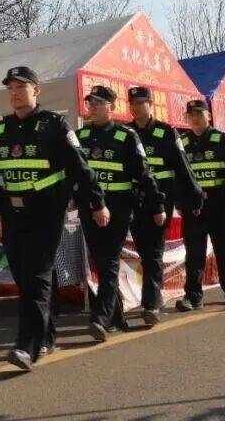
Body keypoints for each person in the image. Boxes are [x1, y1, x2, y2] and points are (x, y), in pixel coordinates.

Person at [0, 66, 105, 371]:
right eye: (10, 88)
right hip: (12, 212)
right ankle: (46, 336)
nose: (14, 93)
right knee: (25, 278)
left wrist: (97, 203)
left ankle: (27, 346)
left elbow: (80, 167)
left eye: (20, 87)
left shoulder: (54, 125)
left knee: (38, 275)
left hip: (46, 210)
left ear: (36, 90)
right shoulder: (0, 129)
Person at [76, 84, 162, 341]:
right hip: (89, 209)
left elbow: (144, 174)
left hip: (119, 208)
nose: (92, 107)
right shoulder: (80, 136)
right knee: (101, 262)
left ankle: (101, 317)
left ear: (112, 107)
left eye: (98, 103)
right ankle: (116, 316)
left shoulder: (126, 137)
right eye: (90, 103)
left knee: (110, 261)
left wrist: (157, 205)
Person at [127, 86, 203, 326]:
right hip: (133, 200)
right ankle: (150, 298)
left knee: (154, 251)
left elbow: (182, 165)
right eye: (133, 103)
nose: (137, 107)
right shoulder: (127, 132)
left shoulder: (166, 132)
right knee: (143, 251)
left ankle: (151, 304)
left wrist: (194, 195)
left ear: (151, 104)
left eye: (141, 102)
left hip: (160, 200)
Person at [176, 100, 225, 310]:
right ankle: (193, 296)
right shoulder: (182, 142)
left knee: (223, 249)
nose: (195, 118)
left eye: (199, 113)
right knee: (194, 252)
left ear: (209, 116)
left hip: (218, 203)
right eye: (191, 114)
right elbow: (178, 176)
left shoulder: (221, 139)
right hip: (194, 206)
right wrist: (181, 202)